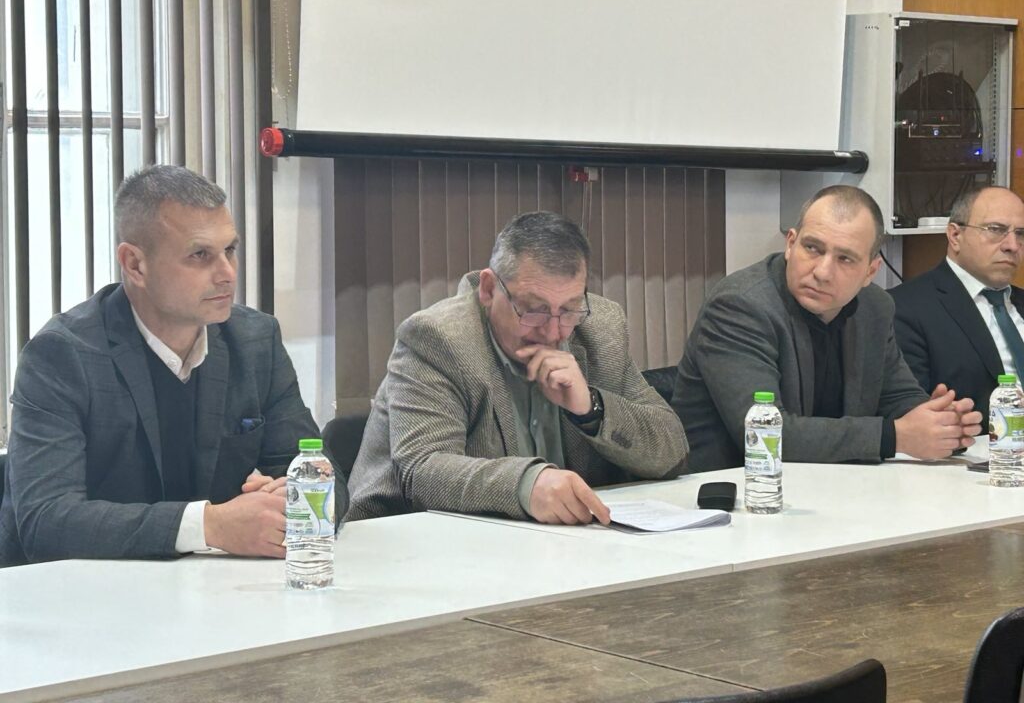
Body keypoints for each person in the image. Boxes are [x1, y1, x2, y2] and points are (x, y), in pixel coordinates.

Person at [0, 165, 345, 566]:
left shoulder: (255, 341)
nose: (227, 274)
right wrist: (210, 525)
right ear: (135, 265)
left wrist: (289, 498)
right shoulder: (62, 355)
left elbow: (324, 476)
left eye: (230, 250)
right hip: (81, 594)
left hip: (218, 588)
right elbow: (46, 522)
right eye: (200, 255)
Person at [346, 211, 687, 524]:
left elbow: (673, 450)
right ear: (489, 289)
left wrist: (592, 410)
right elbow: (423, 472)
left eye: (569, 309)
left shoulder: (601, 328)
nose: (554, 332)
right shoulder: (437, 338)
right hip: (412, 543)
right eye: (534, 310)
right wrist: (526, 485)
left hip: (558, 548)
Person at [671, 185, 982, 473]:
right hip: (732, 490)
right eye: (813, 248)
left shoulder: (875, 308)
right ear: (790, 244)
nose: (822, 272)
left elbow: (897, 395)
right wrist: (895, 437)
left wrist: (940, 422)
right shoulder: (740, 306)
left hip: (831, 484)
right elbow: (764, 434)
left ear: (870, 271)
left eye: (845, 258)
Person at [890, 186, 1024, 427]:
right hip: (977, 445)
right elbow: (908, 412)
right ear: (955, 236)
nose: (1012, 245)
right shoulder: (904, 308)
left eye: (1021, 234)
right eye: (996, 230)